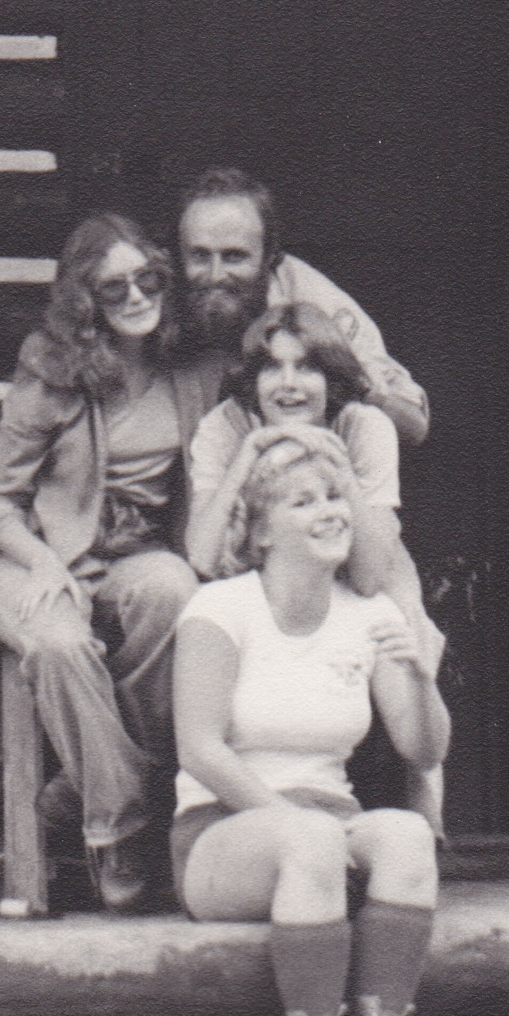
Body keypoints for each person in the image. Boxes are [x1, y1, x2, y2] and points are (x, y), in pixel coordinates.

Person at [170, 429, 450, 1016]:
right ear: (262, 532)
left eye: (335, 497)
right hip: (220, 835)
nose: (330, 511)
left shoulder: (371, 614)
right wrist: (296, 825)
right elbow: (199, 749)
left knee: (410, 835)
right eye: (304, 501)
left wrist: (421, 675)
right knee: (318, 836)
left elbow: (423, 748)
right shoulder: (220, 608)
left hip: (325, 830)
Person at [0, 213, 221, 910]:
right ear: (86, 302)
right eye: (116, 291)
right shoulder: (50, 369)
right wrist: (44, 564)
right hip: (31, 554)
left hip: (132, 552)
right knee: (58, 645)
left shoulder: (190, 366)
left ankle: (75, 790)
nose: (139, 298)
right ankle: (119, 829)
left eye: (149, 281)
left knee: (175, 592)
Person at [183, 305, 444, 837]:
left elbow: (369, 574)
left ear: (332, 378)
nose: (289, 384)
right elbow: (204, 556)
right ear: (251, 379)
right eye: (271, 368)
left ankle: (423, 798)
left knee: (403, 619)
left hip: (358, 553)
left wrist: (340, 474)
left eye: (307, 368)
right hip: (256, 563)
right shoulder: (224, 427)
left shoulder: (363, 425)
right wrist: (250, 452)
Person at [175, 168, 429, 450]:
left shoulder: (316, 304)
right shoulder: (150, 289)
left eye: (234, 256)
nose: (215, 275)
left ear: (270, 256)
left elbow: (413, 427)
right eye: (199, 255)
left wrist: (352, 378)